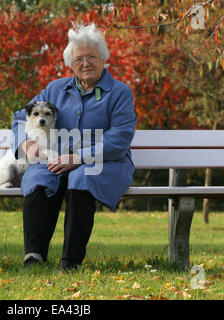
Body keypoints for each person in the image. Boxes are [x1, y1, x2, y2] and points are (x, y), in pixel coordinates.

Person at [11, 23, 137, 270]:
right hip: (55, 158)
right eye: (79, 59)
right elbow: (19, 117)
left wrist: (79, 157)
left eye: (91, 57)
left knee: (82, 178)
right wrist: (26, 143)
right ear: (71, 63)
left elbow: (120, 138)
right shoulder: (55, 89)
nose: (86, 63)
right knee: (39, 177)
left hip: (104, 162)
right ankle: (33, 256)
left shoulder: (120, 93)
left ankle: (70, 261)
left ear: (103, 57)